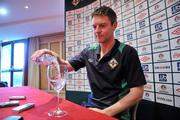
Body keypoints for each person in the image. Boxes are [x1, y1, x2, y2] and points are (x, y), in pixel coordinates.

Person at [31, 6, 146, 120]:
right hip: (90, 107)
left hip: (115, 113)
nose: (97, 31)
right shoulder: (89, 51)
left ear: (114, 25)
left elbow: (137, 93)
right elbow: (65, 67)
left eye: (102, 26)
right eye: (94, 26)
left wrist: (105, 113)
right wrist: (51, 56)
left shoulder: (127, 52)